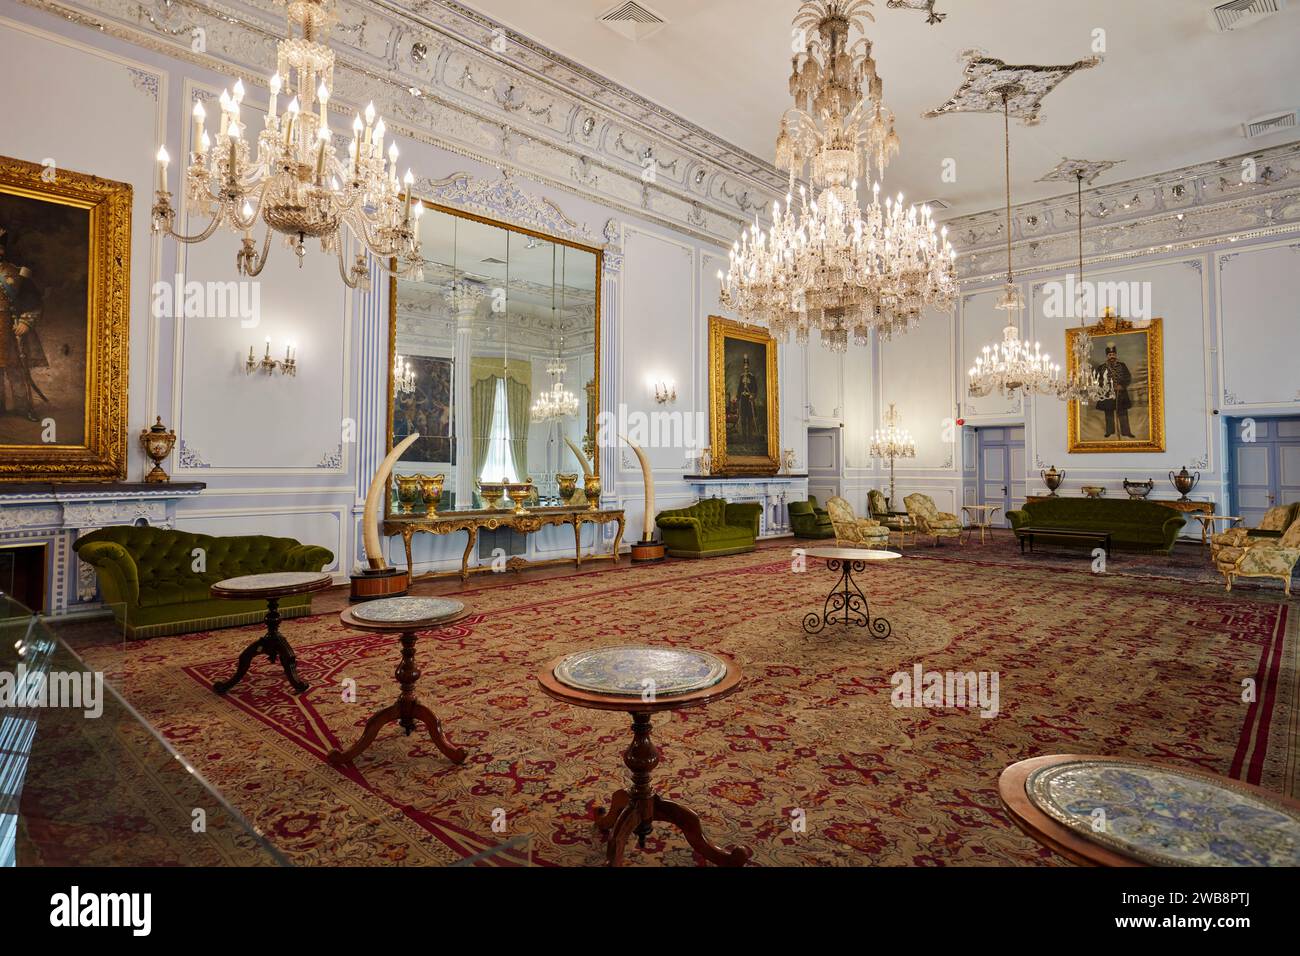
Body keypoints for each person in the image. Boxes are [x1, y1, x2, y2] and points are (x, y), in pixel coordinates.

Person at [0, 226, 48, 423]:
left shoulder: (18, 274)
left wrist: (26, 322)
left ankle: (23, 407)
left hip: (10, 330)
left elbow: (34, 302)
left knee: (16, 368)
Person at [1093, 342, 1135, 439]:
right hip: (1107, 393)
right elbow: (1098, 379)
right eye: (1110, 355)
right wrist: (1107, 386)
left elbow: (1128, 377)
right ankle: (1110, 431)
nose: (1112, 356)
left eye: (1113, 354)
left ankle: (1126, 432)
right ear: (1107, 356)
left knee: (1123, 413)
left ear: (1116, 355)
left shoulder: (1122, 365)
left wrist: (1122, 385)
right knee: (1109, 413)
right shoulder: (1101, 367)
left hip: (1121, 393)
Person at [735, 354, 758, 443]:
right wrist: (737, 397)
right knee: (743, 418)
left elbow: (755, 388)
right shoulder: (741, 376)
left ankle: (750, 438)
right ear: (743, 366)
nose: (746, 367)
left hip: (749, 399)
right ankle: (744, 438)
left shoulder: (752, 376)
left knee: (750, 418)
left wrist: (753, 395)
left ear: (749, 366)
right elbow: (739, 388)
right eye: (744, 365)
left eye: (747, 365)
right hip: (743, 399)